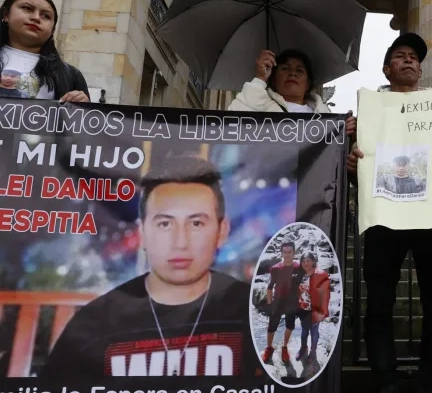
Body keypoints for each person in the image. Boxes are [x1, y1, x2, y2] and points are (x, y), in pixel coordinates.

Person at [42, 155, 256, 380]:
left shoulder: (256, 314)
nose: (180, 242)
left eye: (196, 223)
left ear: (221, 232)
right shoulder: (95, 322)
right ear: (143, 234)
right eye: (164, 224)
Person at [346, 33, 432, 393]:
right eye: (401, 56)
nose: (409, 61)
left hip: (431, 216)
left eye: (414, 57)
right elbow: (359, 167)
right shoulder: (370, 113)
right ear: (387, 68)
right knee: (379, 302)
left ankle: (430, 382)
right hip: (386, 217)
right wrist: (352, 162)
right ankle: (388, 386)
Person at [228, 48, 356, 136]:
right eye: (285, 68)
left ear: (308, 84)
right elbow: (229, 125)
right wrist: (260, 78)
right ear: (273, 80)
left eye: (300, 70)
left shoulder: (325, 117)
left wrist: (341, 132)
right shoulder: (259, 104)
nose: (293, 73)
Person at [0, 0, 89, 103]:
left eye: (46, 16)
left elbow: (82, 118)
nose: (36, 18)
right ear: (6, 15)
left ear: (52, 31)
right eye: (27, 8)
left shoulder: (70, 75)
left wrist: (83, 106)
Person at [262, 242, 300, 365]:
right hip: (278, 301)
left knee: (290, 325)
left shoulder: (299, 267)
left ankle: (284, 347)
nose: (287, 254)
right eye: (285, 252)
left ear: (294, 252)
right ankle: (269, 348)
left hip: (292, 302)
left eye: (290, 252)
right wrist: (269, 304)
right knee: (272, 326)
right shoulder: (275, 269)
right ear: (281, 253)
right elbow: (269, 287)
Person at [293, 252, 330, 362]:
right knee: (304, 331)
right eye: (303, 261)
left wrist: (323, 311)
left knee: (314, 332)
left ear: (313, 261)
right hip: (302, 309)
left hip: (315, 309)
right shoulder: (300, 275)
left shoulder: (321, 274)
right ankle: (303, 348)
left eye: (308, 261)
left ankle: (313, 352)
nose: (306, 263)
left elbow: (326, 294)